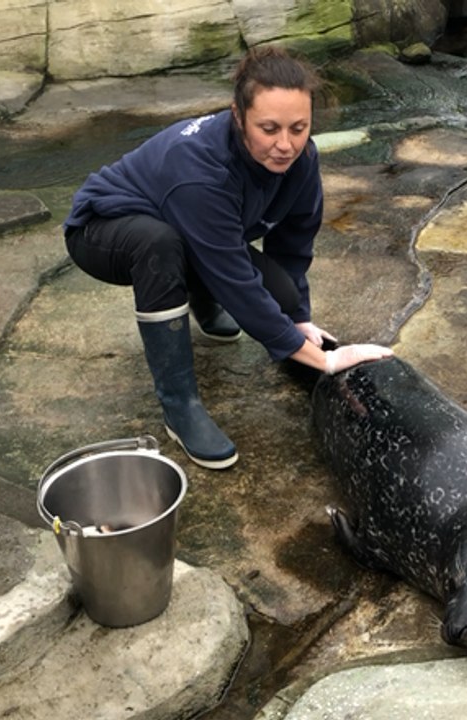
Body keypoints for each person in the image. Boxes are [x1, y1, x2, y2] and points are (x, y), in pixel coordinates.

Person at [64, 46, 393, 471]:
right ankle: (180, 405)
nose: (285, 144)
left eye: (299, 128)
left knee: (278, 294)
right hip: (102, 231)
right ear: (238, 117)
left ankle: (202, 299)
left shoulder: (302, 158)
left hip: (183, 224)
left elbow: (293, 244)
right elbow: (236, 280)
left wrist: (298, 322)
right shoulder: (200, 172)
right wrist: (324, 360)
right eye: (269, 129)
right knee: (160, 244)